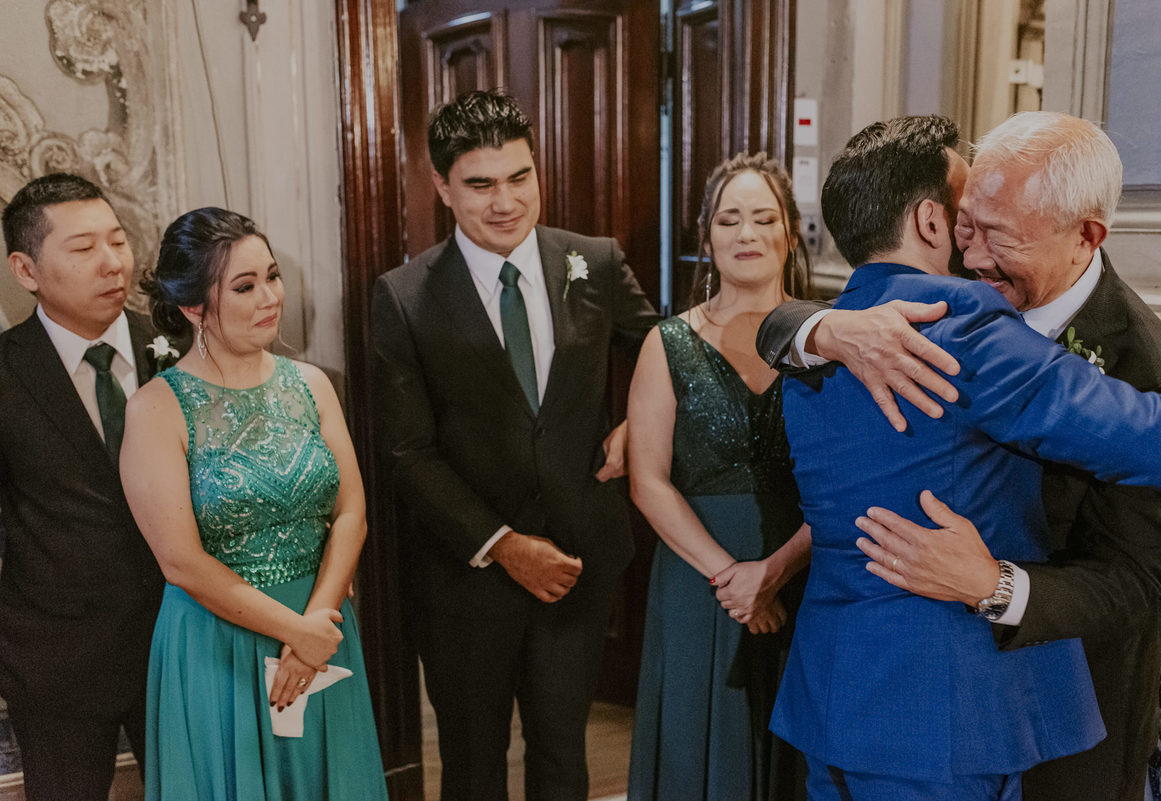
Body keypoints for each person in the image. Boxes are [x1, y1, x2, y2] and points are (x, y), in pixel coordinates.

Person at [760, 111, 1161, 801]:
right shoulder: (924, 321)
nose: (974, 247)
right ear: (933, 222)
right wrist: (813, 326)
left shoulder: (1146, 358)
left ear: (1085, 236)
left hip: (852, 692)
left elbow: (1128, 579)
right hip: (948, 712)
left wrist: (996, 583)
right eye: (966, 221)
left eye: (995, 230)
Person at [371, 89, 659, 801]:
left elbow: (665, 351)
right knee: (473, 766)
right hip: (466, 575)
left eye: (519, 177)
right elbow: (407, 452)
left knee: (562, 755)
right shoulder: (404, 295)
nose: (505, 202)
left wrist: (638, 424)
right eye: (480, 184)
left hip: (577, 560)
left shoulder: (592, 261)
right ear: (442, 187)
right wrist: (501, 544)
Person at [120, 207, 387, 801]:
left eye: (272, 276)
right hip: (219, 641)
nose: (270, 297)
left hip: (322, 625)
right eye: (244, 286)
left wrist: (317, 625)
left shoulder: (311, 384)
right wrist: (296, 632)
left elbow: (351, 512)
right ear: (193, 307)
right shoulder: (157, 408)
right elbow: (180, 561)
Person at [626, 152, 811, 801]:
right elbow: (647, 482)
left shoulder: (828, 341)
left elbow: (851, 480)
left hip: (806, 573)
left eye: (764, 218)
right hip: (699, 581)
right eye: (729, 220)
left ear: (791, 232)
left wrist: (776, 572)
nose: (746, 233)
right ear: (707, 237)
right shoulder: (667, 342)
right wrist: (733, 579)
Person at [0, 173, 167, 801]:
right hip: (56, 664)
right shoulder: (6, 371)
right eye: (82, 248)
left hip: (181, 645)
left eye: (117, 241)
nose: (112, 262)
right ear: (26, 269)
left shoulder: (181, 345)